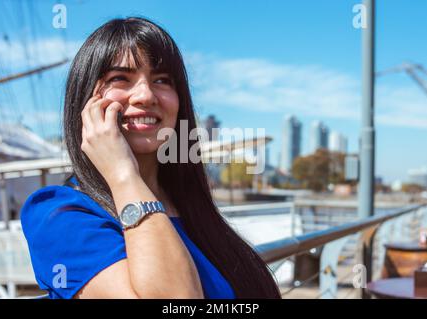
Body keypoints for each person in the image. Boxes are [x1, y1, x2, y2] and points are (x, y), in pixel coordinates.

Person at [21, 17, 281, 299]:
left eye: (162, 81)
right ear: (85, 100)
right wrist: (122, 173)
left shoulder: (190, 206)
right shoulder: (59, 214)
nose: (145, 95)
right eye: (120, 78)